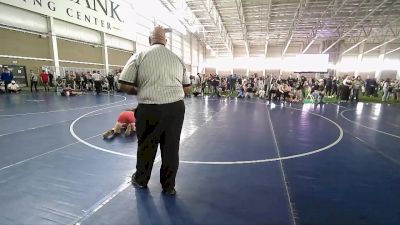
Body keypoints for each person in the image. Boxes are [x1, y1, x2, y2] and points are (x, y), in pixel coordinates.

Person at [118, 26, 190, 195]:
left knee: (146, 146)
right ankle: (169, 187)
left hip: (149, 109)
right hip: (175, 109)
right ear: (166, 41)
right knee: (171, 148)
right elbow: (187, 89)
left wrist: (141, 90)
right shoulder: (177, 59)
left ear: (149, 40)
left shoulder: (139, 56)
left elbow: (123, 84)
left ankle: (141, 180)